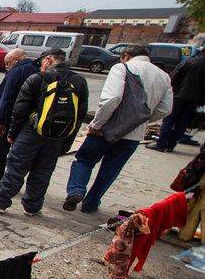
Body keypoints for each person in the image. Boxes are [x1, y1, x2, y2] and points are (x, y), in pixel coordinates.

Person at [63, 44, 172, 213]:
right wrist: (142, 120)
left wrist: (97, 124)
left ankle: (76, 190)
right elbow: (166, 109)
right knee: (110, 170)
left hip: (106, 128)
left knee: (84, 160)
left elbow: (112, 98)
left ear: (126, 55)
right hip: (134, 134)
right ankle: (91, 204)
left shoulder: (122, 68)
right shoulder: (163, 76)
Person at [0, 48, 89, 216]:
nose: (40, 66)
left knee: (16, 169)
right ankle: (32, 207)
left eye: (42, 62)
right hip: (58, 135)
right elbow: (80, 115)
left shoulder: (37, 79)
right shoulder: (79, 81)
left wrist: (12, 134)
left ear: (48, 60)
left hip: (31, 132)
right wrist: (67, 141)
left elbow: (20, 110)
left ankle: (0, 203)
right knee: (43, 172)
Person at [0, 48, 39, 191]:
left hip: (10, 120)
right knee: (20, 156)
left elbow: (6, 99)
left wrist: (0, 121)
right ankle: (12, 185)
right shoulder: (38, 71)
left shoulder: (15, 72)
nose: (6, 66)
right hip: (30, 122)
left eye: (8, 63)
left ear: (16, 60)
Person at [146, 50, 205, 152]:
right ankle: (171, 144)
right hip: (195, 99)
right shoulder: (194, 62)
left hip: (179, 95)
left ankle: (161, 143)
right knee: (182, 122)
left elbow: (174, 76)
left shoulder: (190, 61)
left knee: (169, 120)